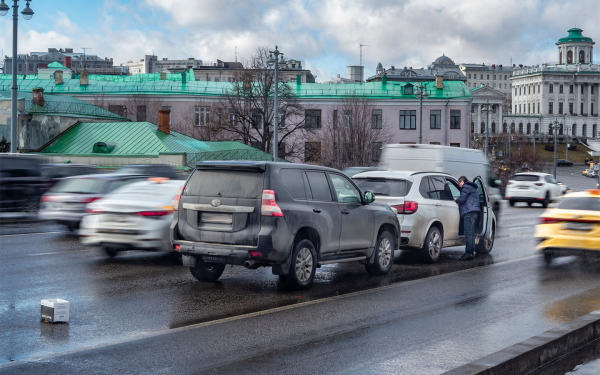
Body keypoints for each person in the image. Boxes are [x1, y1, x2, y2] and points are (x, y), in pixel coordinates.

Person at [455, 176, 481, 261]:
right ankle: (472, 252)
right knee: (472, 233)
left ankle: (468, 253)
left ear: (462, 181)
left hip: (469, 213)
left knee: (468, 233)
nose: (459, 185)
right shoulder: (473, 187)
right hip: (475, 212)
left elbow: (462, 199)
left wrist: (456, 200)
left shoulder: (465, 187)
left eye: (459, 183)